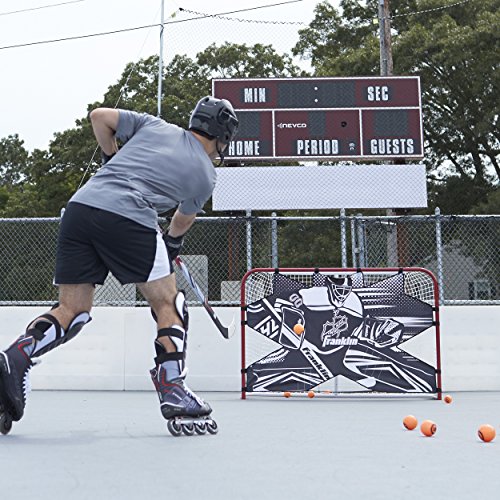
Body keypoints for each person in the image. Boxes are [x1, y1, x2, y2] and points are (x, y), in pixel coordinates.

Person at [0, 96, 239, 435]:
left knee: (72, 311)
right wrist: (171, 243)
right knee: (169, 303)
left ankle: (16, 357)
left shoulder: (156, 125)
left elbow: (99, 117)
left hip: (80, 209)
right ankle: (173, 389)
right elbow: (182, 220)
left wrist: (111, 155)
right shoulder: (206, 174)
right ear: (222, 136)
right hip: (129, 217)